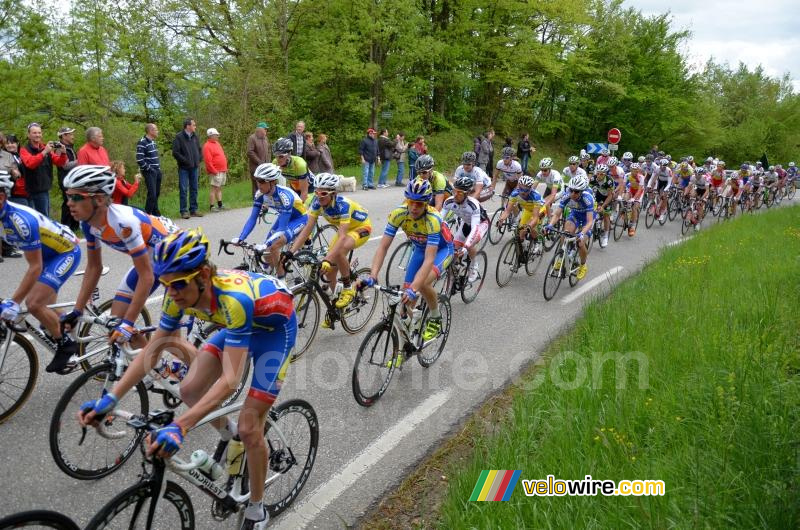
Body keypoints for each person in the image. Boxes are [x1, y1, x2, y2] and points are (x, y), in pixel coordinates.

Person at [78, 228, 296, 530]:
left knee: (250, 427)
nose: (172, 293)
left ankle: (257, 509)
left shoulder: (234, 300)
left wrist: (181, 425)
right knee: (190, 388)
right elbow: (151, 351)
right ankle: (228, 434)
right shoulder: (175, 295)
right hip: (236, 328)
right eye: (166, 285)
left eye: (178, 284)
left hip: (275, 333)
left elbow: (231, 380)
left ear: (204, 275)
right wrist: (110, 398)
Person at [60, 165, 179, 371]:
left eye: (76, 197)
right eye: (67, 196)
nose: (69, 203)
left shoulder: (123, 222)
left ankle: (207, 383)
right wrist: (77, 310)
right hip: (151, 261)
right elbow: (94, 267)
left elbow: (147, 277)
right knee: (116, 324)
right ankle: (161, 370)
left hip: (173, 259)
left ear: (98, 199)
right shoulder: (88, 224)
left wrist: (129, 322)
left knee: (172, 339)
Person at [0, 171, 82, 372]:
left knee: (34, 303)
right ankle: (67, 323)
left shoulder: (19, 221)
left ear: (1, 197)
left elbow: (35, 267)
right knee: (47, 306)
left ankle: (66, 346)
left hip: (65, 252)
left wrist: (14, 302)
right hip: (47, 254)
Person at [362, 178, 454, 348]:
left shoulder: (433, 219)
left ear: (426, 204)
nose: (414, 207)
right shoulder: (399, 213)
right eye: (411, 202)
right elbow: (383, 246)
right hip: (419, 249)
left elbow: (429, 260)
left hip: (442, 250)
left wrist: (414, 288)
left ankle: (435, 317)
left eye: (419, 204)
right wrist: (373, 275)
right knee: (405, 302)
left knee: (422, 284)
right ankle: (409, 339)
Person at [288, 174, 372, 322]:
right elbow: (307, 229)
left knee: (338, 251)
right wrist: (290, 252)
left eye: (324, 193)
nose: (319, 196)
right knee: (329, 272)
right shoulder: (317, 203)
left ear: (333, 194)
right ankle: (337, 307)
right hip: (345, 231)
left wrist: (327, 258)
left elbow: (342, 236)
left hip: (361, 227)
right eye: (317, 192)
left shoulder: (343, 204)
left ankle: (347, 289)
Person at [233, 163, 308, 279]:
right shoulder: (260, 194)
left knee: (273, 247)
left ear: (272, 182)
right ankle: (274, 270)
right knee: (267, 254)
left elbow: (282, 228)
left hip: (299, 219)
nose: (259, 184)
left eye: (262, 181)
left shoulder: (285, 196)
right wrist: (241, 238)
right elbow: (252, 219)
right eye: (257, 180)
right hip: (284, 217)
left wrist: (266, 244)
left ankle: (282, 281)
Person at [546, 175, 594, 281]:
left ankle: (583, 265)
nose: (573, 194)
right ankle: (564, 254)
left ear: (581, 191)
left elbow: (590, 221)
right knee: (565, 233)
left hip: (587, 219)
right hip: (575, 215)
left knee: (580, 242)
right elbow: (557, 214)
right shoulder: (567, 195)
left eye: (576, 192)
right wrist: (550, 225)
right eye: (571, 190)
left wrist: (582, 233)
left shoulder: (587, 198)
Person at [443, 176, 490, 282]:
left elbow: (474, 229)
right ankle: (455, 271)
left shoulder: (473, 205)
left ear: (466, 194)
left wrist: (466, 247)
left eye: (459, 193)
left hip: (481, 224)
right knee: (453, 248)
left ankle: (474, 266)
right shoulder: (449, 201)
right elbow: (439, 220)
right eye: (454, 191)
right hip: (466, 223)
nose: (455, 195)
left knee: (469, 245)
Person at [19, 123, 67, 216]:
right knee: (34, 218)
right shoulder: (24, 150)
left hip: (44, 189)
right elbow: (30, 164)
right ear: (28, 135)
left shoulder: (45, 148)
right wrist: (44, 152)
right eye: (34, 133)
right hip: (30, 191)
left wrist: (63, 153)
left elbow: (59, 162)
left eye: (39, 133)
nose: (37, 135)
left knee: (44, 218)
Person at [496, 175, 546, 254]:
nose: (522, 192)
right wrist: (501, 219)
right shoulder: (515, 194)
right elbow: (507, 211)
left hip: (540, 210)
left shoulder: (536, 196)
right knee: (521, 232)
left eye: (526, 190)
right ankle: (524, 248)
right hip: (527, 210)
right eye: (521, 188)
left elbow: (535, 217)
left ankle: (537, 241)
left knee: (530, 226)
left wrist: (529, 225)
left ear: (530, 189)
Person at [172, 118, 204, 219]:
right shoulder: (179, 137)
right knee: (184, 189)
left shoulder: (195, 136)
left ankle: (194, 209)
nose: (195, 126)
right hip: (184, 168)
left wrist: (199, 159)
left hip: (194, 167)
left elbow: (199, 149)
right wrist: (186, 161)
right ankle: (184, 211)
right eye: (193, 125)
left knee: (194, 188)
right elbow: (175, 152)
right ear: (188, 126)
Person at [54, 127, 79, 230]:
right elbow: (64, 165)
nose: (73, 136)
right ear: (64, 136)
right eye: (70, 134)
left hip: (73, 180)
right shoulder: (60, 148)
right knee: (69, 203)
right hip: (66, 181)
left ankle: (73, 227)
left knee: (73, 202)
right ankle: (66, 227)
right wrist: (80, 161)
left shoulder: (70, 147)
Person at [272, 137, 311, 202]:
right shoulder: (275, 163)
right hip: (294, 188)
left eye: (281, 156)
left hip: (310, 189)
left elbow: (304, 193)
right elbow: (273, 185)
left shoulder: (299, 164)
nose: (278, 159)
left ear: (289, 154)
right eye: (276, 156)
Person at [136, 123, 162, 216]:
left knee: (157, 193)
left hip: (157, 170)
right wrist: (150, 169)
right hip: (149, 172)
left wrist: (158, 169)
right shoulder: (142, 142)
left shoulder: (153, 142)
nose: (157, 131)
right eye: (156, 129)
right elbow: (139, 159)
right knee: (152, 194)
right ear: (150, 131)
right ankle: (146, 215)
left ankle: (155, 213)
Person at [202, 128, 228, 212]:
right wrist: (214, 171)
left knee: (219, 188)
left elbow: (221, 155)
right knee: (213, 189)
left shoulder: (217, 143)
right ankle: (212, 206)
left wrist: (225, 168)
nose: (217, 136)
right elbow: (208, 161)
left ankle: (220, 204)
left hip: (222, 170)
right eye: (216, 135)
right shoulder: (207, 146)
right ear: (211, 135)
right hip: (215, 171)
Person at [246, 122, 271, 196]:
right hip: (255, 166)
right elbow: (250, 152)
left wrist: (268, 161)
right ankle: (256, 199)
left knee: (265, 182)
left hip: (265, 165)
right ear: (259, 129)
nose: (266, 131)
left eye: (266, 129)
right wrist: (259, 161)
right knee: (256, 183)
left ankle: (265, 197)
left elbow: (269, 150)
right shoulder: (252, 138)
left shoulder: (265, 138)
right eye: (265, 129)